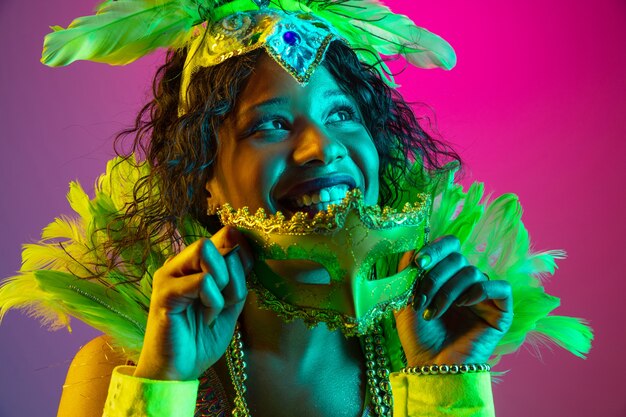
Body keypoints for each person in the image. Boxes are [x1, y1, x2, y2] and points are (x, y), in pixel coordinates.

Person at [0, 1, 592, 416]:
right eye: (272, 125)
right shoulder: (123, 365)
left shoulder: (432, 344)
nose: (321, 147)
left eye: (342, 115)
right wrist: (163, 384)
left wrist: (444, 381)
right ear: (203, 178)